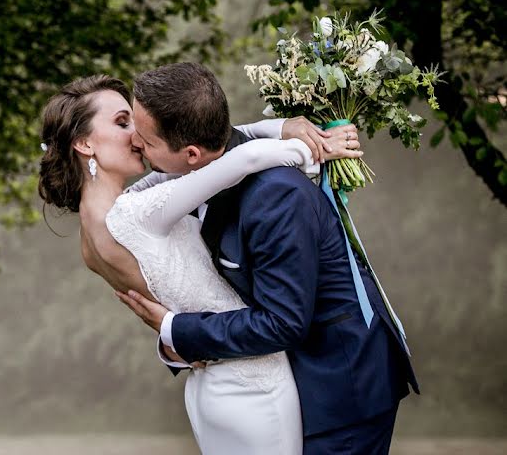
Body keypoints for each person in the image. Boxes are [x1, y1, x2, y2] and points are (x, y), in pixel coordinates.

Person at [38, 71, 368, 453]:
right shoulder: (135, 213)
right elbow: (240, 158)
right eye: (122, 122)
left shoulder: (93, 233)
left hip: (207, 384)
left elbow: (199, 149)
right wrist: (317, 147)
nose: (136, 136)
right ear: (84, 143)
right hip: (254, 381)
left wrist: (172, 337)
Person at [116, 63, 419, 455]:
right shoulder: (202, 173)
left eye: (145, 139)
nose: (136, 145)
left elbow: (283, 322)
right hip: (288, 379)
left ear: (191, 153)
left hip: (340, 385)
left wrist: (178, 330)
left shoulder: (276, 199)